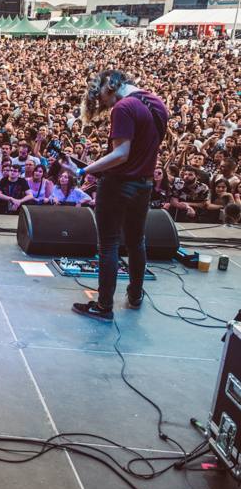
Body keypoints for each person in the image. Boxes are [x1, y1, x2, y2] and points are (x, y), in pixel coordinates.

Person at [65, 70, 168, 321]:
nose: (101, 101)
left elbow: (121, 154)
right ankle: (135, 296)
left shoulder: (123, 108)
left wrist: (83, 169)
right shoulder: (156, 102)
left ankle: (103, 306)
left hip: (119, 184)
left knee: (109, 245)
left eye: (100, 93)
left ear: (110, 85)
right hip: (143, 185)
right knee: (136, 241)